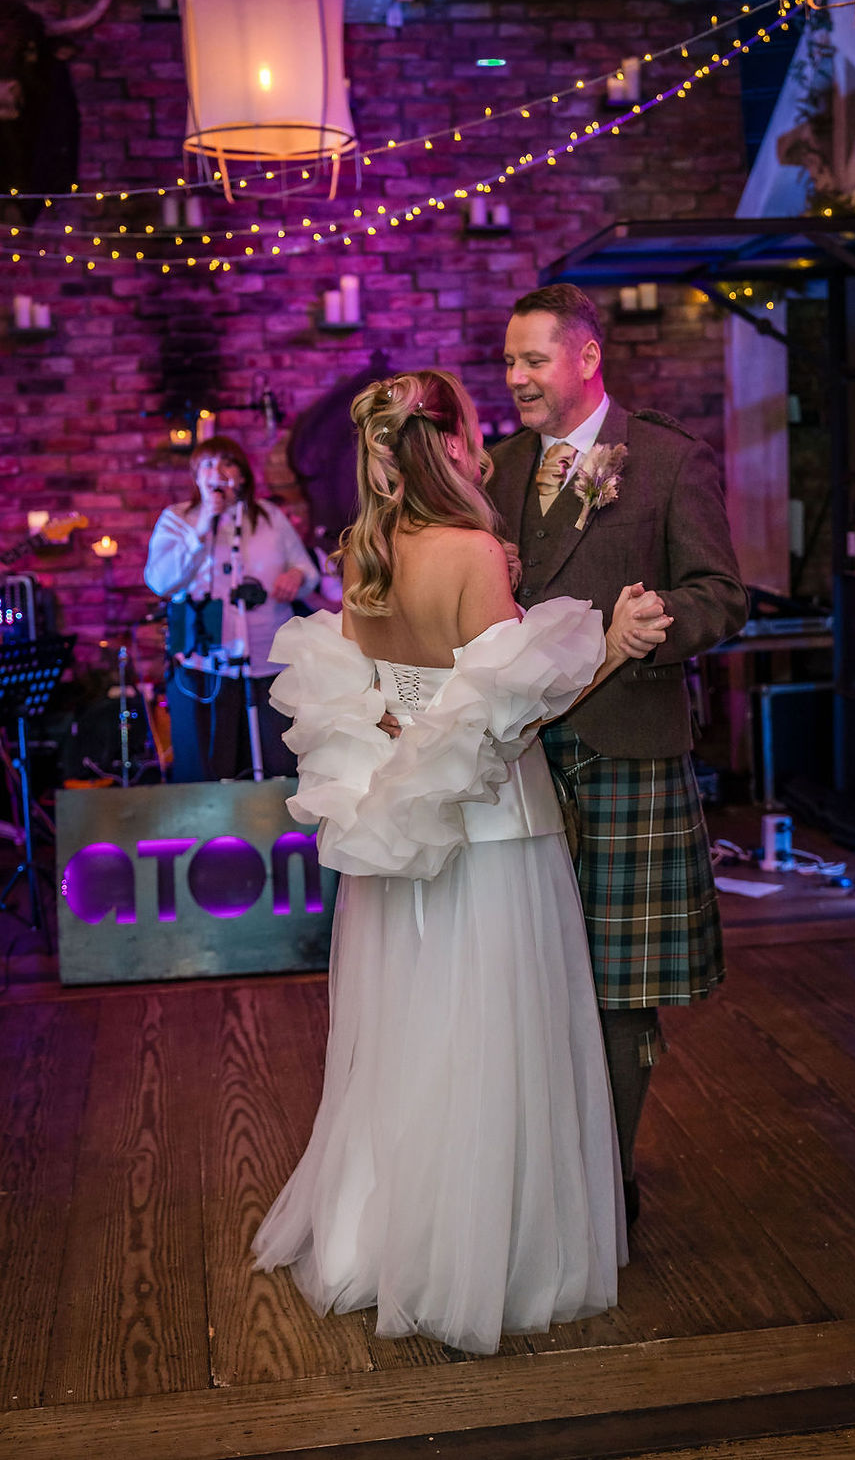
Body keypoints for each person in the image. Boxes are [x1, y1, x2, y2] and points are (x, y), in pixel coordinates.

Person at [250, 369, 670, 1355]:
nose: (487, 444)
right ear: (446, 444)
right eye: (475, 427)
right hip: (493, 836)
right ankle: (495, 1256)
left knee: (407, 1043)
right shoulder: (472, 553)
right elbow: (516, 708)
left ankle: (381, 1238)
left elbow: (390, 703)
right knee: (492, 1041)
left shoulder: (368, 554)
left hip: (400, 841)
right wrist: (608, 641)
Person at [488, 283, 749, 1222]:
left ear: (586, 358)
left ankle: (607, 1183)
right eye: (508, 360)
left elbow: (725, 593)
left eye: (532, 360)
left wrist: (661, 620)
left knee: (617, 982)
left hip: (629, 748)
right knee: (524, 972)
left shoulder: (671, 460)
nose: (514, 377)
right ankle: (537, 1170)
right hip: (521, 755)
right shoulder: (496, 467)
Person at [144, 436, 319, 782]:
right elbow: (160, 582)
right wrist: (203, 524)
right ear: (196, 476)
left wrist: (296, 576)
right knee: (213, 766)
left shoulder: (268, 517)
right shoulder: (177, 519)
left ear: (241, 475)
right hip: (206, 663)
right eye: (207, 465)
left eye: (226, 463)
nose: (217, 472)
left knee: (279, 763)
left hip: (269, 660)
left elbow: (308, 571)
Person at [268, 492, 344, 614]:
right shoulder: (258, 561)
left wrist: (306, 591)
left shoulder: (316, 554)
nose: (298, 520)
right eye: (288, 517)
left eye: (294, 514)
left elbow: (339, 607)